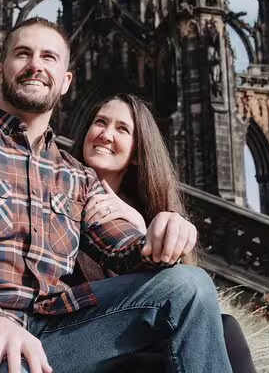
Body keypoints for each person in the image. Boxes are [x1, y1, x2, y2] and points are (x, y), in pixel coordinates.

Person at [0, 17, 233, 373]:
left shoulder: (77, 176)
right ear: (0, 72)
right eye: (23, 54)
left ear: (65, 82)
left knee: (189, 285)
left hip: (45, 328)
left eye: (49, 57)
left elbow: (125, 251)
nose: (35, 65)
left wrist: (162, 236)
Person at [68, 93, 257, 373]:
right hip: (80, 332)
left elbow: (171, 291)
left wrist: (142, 230)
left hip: (133, 336)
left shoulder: (144, 213)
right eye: (100, 122)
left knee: (226, 327)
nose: (106, 135)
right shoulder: (60, 187)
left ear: (136, 153)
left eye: (122, 129)